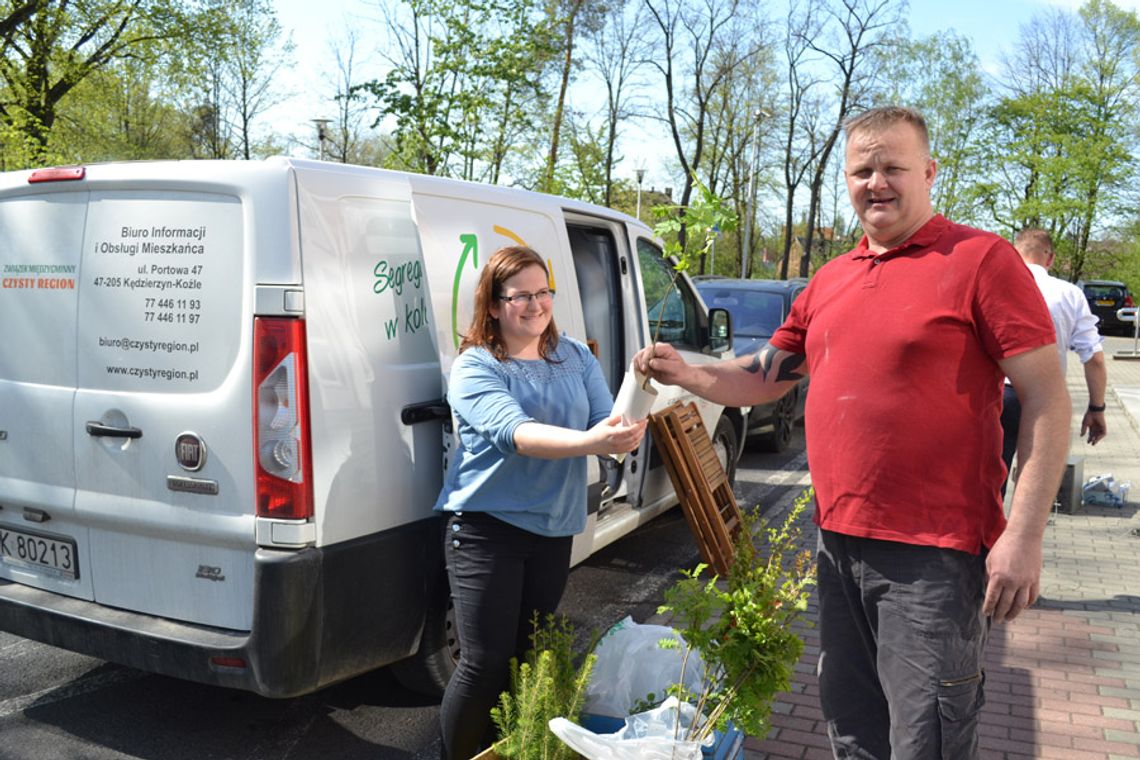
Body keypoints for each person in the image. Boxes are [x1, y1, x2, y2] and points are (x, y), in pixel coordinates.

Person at [634, 106, 1071, 759]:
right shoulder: (832, 279)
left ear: (928, 171)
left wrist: (1024, 536)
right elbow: (767, 374)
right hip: (837, 546)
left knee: (925, 738)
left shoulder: (981, 260)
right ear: (846, 179)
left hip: (936, 556)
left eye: (893, 167)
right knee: (852, 728)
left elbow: (1047, 399)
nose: (877, 182)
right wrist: (686, 372)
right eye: (862, 170)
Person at [434, 245, 647, 760]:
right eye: (520, 295)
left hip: (554, 528)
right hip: (486, 530)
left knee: (529, 659)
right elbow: (518, 433)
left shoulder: (574, 355)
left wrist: (637, 400)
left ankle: (508, 751)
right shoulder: (475, 366)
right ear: (493, 305)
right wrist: (595, 442)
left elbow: (608, 418)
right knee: (484, 664)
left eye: (543, 292)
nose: (535, 304)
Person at [1001, 228, 1106, 494]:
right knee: (1033, 485)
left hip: (998, 395)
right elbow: (1093, 358)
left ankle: (988, 534)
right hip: (1046, 399)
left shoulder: (998, 286)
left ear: (1014, 254)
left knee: (990, 482)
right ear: (1050, 259)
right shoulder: (1070, 294)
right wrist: (1097, 407)